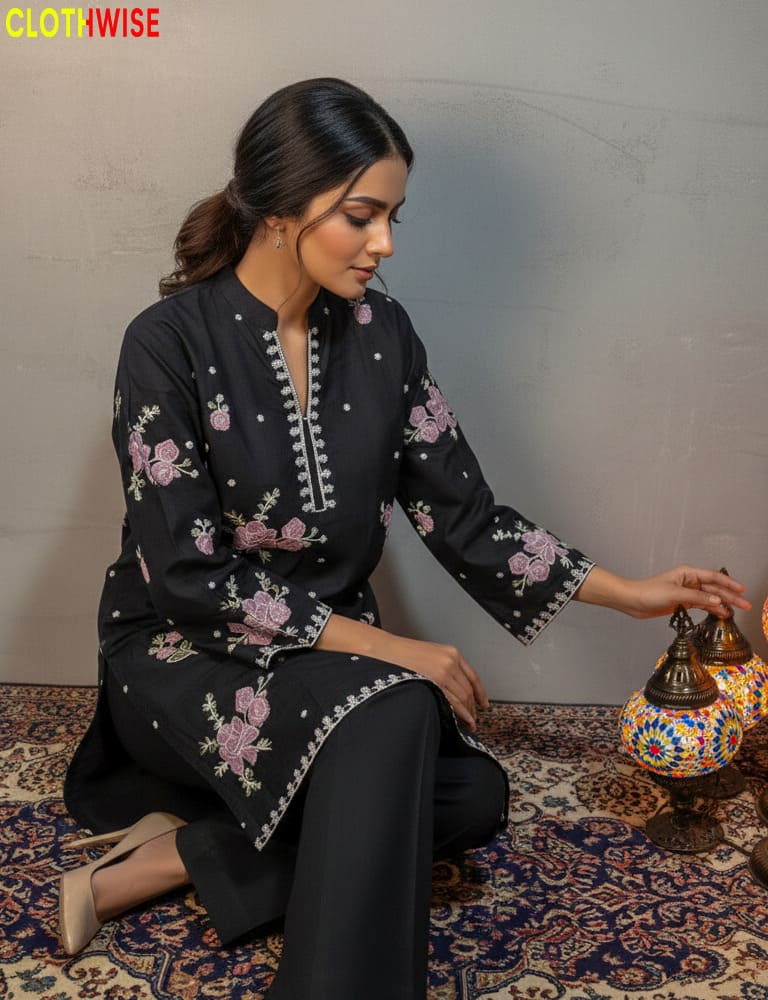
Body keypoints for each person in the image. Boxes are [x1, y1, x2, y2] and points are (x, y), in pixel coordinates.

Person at [60, 78, 750, 999]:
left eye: (392, 217)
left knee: (471, 797)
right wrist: (394, 650)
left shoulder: (382, 335)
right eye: (361, 216)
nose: (384, 243)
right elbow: (189, 577)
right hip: (185, 652)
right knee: (395, 718)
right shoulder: (167, 342)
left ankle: (176, 857)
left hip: (334, 666)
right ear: (279, 211)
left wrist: (630, 593)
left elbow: (464, 516)